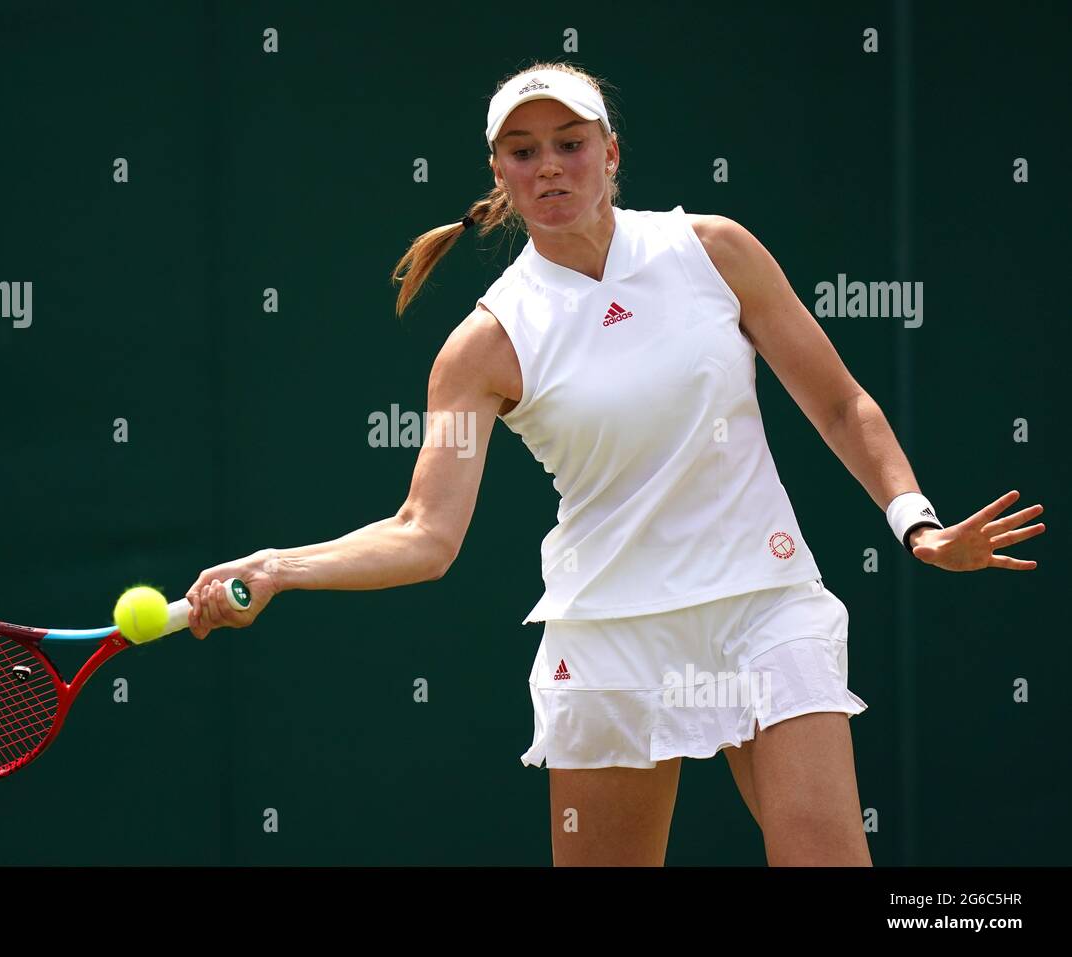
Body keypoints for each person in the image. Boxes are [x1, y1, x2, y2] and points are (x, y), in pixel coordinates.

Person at [183, 61, 1046, 866]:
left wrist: (916, 522)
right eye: (524, 151)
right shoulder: (482, 348)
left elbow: (839, 403)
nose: (550, 166)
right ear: (500, 173)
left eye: (570, 143)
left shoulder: (715, 251)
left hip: (765, 602)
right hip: (609, 638)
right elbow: (424, 531)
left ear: (611, 152)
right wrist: (278, 567)